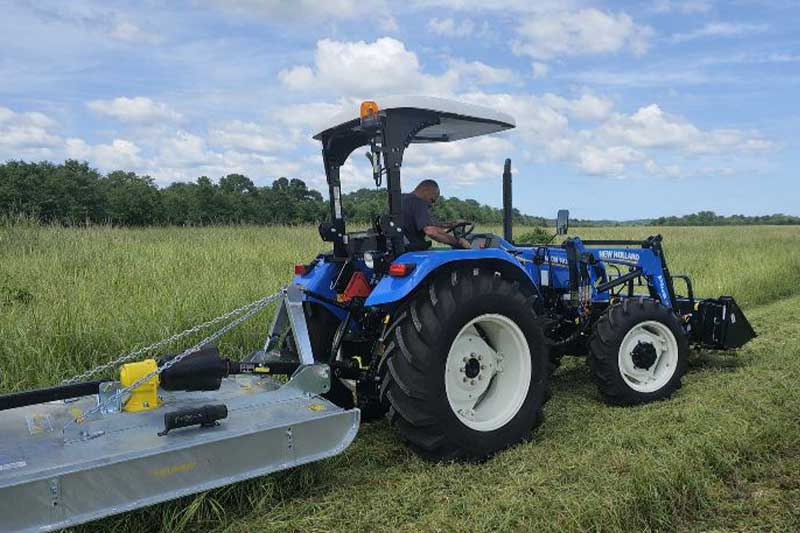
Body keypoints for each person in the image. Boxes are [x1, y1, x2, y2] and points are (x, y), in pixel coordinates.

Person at [400, 179, 471, 251]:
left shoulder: (402, 199)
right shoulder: (418, 202)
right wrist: (458, 242)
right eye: (432, 200)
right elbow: (431, 232)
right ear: (425, 190)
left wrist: (450, 224)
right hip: (413, 250)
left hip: (402, 247)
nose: (431, 204)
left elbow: (428, 225)